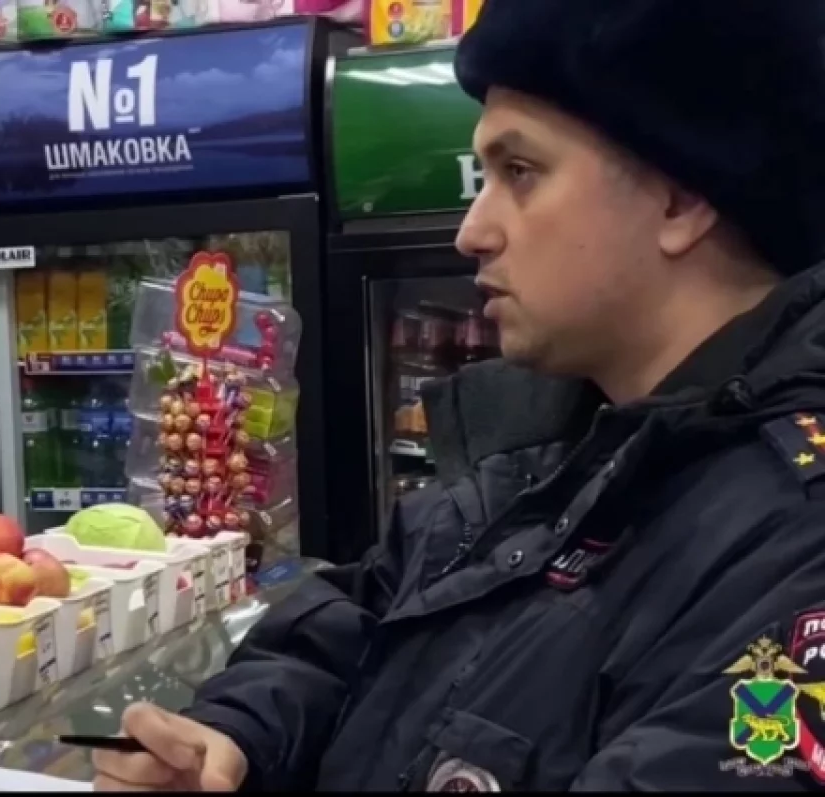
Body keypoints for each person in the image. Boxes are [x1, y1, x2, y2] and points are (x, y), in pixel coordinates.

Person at [93, 0, 825, 791]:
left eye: (519, 172)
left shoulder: (795, 544)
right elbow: (356, 626)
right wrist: (233, 737)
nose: (471, 231)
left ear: (680, 197)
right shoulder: (537, 452)